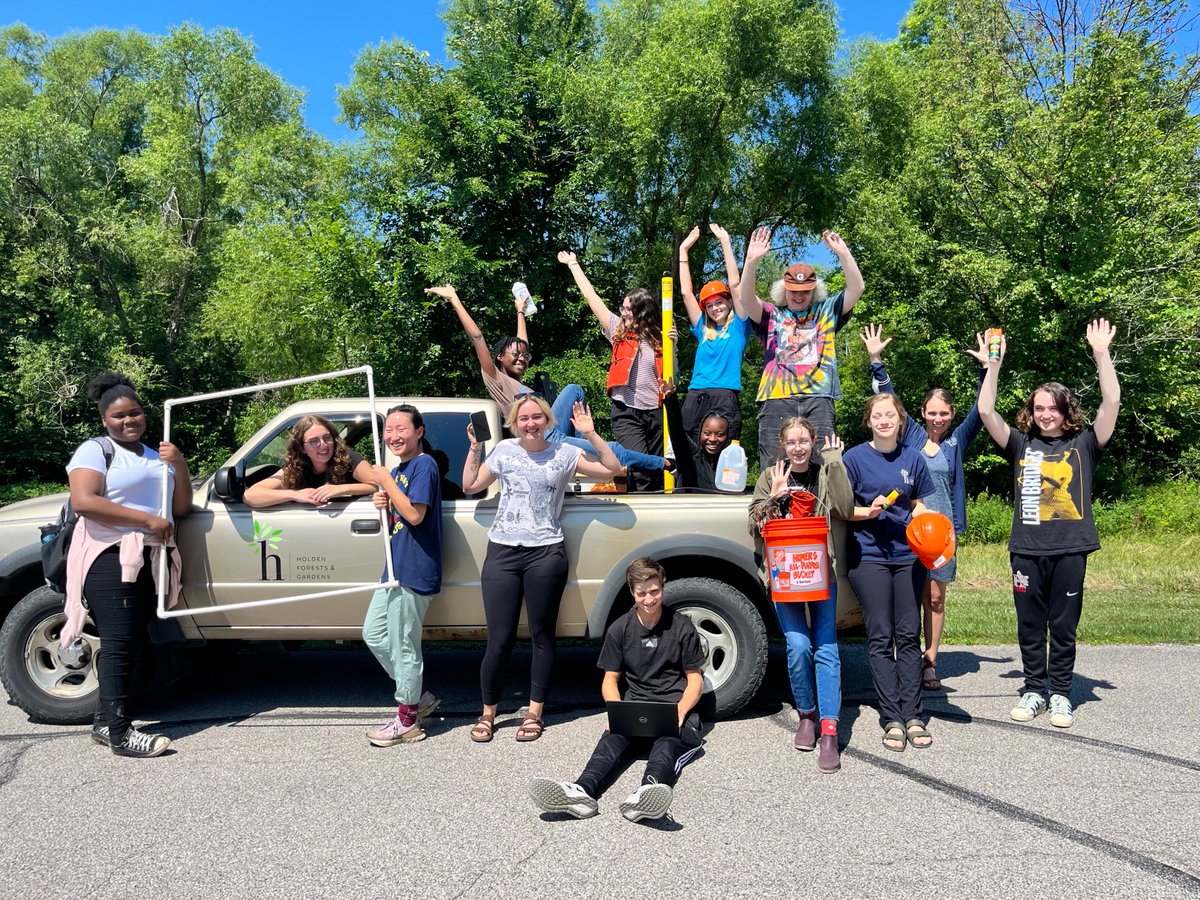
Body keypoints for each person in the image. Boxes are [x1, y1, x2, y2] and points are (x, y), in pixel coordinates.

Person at [977, 321, 1120, 729]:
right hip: (1027, 548)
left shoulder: (1086, 443)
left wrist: (1100, 354)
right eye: (1039, 408)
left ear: (1065, 410)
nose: (1045, 414)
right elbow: (986, 410)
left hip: (1070, 547)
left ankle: (1060, 694)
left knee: (1062, 625)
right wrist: (994, 364)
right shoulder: (1021, 443)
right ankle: (1033, 690)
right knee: (1029, 625)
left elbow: (1111, 402)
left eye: (1052, 408)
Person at [462, 396, 622, 742]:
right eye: (524, 419)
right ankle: (488, 712)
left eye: (537, 417)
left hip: (546, 553)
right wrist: (475, 449)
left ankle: (535, 711)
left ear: (547, 420)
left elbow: (613, 469)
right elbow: (471, 486)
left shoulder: (564, 454)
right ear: (514, 423)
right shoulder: (503, 451)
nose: (530, 423)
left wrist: (591, 434)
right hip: (502, 552)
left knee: (542, 635)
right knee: (499, 639)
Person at [62, 372, 192, 758]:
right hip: (108, 555)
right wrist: (146, 521)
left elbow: (179, 508)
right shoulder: (96, 450)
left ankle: (106, 723)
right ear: (105, 419)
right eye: (119, 416)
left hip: (147, 557)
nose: (129, 421)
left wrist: (179, 464)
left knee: (133, 642)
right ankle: (120, 734)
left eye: (134, 413)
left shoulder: (155, 455)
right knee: (119, 644)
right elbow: (83, 501)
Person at [527, 557, 704, 822]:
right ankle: (581, 792)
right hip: (635, 709)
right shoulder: (619, 629)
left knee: (667, 748)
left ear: (662, 588)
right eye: (642, 593)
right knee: (611, 743)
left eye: (654, 591)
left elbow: (695, 679)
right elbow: (610, 679)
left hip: (673, 711)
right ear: (632, 592)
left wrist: (681, 709)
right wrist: (615, 709)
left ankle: (646, 795)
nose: (649, 600)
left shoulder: (681, 626)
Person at [429, 282, 668, 477]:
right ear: (500, 357)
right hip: (542, 436)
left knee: (574, 389)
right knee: (612, 451)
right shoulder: (496, 378)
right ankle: (665, 463)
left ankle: (575, 448)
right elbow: (477, 337)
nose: (522, 357)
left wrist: (520, 311)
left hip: (552, 431)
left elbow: (522, 343)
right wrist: (454, 299)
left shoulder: (521, 379)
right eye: (515, 355)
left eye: (525, 355)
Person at [860, 324, 987, 691]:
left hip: (942, 533)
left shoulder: (956, 442)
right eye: (932, 413)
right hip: (908, 529)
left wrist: (986, 369)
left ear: (950, 415)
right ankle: (908, 657)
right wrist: (875, 360)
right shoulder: (913, 436)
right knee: (911, 596)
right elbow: (888, 399)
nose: (938, 419)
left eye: (944, 413)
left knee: (935, 597)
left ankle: (930, 661)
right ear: (921, 414)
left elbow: (982, 410)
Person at [748, 419, 853, 772]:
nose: (798, 447)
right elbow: (754, 524)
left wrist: (836, 461)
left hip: (821, 573)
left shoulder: (824, 472)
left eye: (804, 441)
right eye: (792, 441)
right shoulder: (770, 475)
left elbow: (846, 507)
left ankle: (829, 730)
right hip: (785, 577)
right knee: (797, 646)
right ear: (783, 444)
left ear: (812, 442)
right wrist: (775, 497)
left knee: (826, 648)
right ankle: (806, 713)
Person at [841, 393, 935, 752]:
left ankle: (913, 714)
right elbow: (840, 508)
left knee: (909, 635)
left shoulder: (914, 459)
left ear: (899, 420)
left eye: (890, 415)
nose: (884, 420)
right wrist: (869, 511)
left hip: (910, 556)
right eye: (877, 415)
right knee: (881, 636)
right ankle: (891, 716)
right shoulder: (854, 458)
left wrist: (929, 526)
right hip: (869, 557)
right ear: (869, 421)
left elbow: (921, 505)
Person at [739, 227, 866, 470]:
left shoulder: (826, 311)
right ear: (784, 290)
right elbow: (746, 299)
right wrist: (752, 261)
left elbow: (856, 288)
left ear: (814, 290)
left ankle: (820, 509)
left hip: (819, 398)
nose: (799, 296)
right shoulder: (770, 314)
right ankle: (773, 509)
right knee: (773, 466)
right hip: (777, 397)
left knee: (822, 465)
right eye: (794, 291)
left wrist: (843, 253)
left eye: (805, 291)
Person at [361, 405, 443, 746]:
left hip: (414, 569)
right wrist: (383, 501)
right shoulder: (399, 471)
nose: (393, 435)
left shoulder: (424, 465)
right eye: (388, 430)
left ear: (419, 432)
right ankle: (419, 695)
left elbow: (414, 514)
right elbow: (396, 520)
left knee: (403, 645)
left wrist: (385, 483)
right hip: (394, 567)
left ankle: (407, 720)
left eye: (401, 429)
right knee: (374, 633)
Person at [559, 252, 669, 491]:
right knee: (640, 468)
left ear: (642, 311)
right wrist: (573, 264)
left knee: (659, 471)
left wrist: (674, 344)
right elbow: (591, 297)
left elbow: (673, 376)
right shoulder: (617, 330)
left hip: (656, 412)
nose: (623, 312)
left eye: (628, 309)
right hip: (626, 412)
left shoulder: (662, 339)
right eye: (623, 307)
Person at [678, 223, 752, 441]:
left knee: (724, 452)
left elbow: (736, 284)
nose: (715, 308)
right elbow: (686, 294)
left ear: (729, 303)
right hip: (696, 394)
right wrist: (683, 250)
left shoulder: (739, 325)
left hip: (725, 395)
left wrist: (725, 243)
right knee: (687, 449)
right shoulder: (703, 329)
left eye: (719, 302)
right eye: (709, 305)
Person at [242, 414, 376, 508]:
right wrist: (295, 495)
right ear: (302, 447)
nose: (323, 445)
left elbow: (379, 484)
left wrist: (342, 489)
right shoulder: (295, 469)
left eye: (327, 438)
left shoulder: (348, 458)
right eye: (314, 441)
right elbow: (251, 496)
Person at [662, 387, 732, 492]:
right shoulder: (691, 456)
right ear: (700, 434)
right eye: (707, 433)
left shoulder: (731, 463)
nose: (712, 439)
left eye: (720, 434)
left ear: (727, 438)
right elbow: (677, 432)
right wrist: (671, 400)